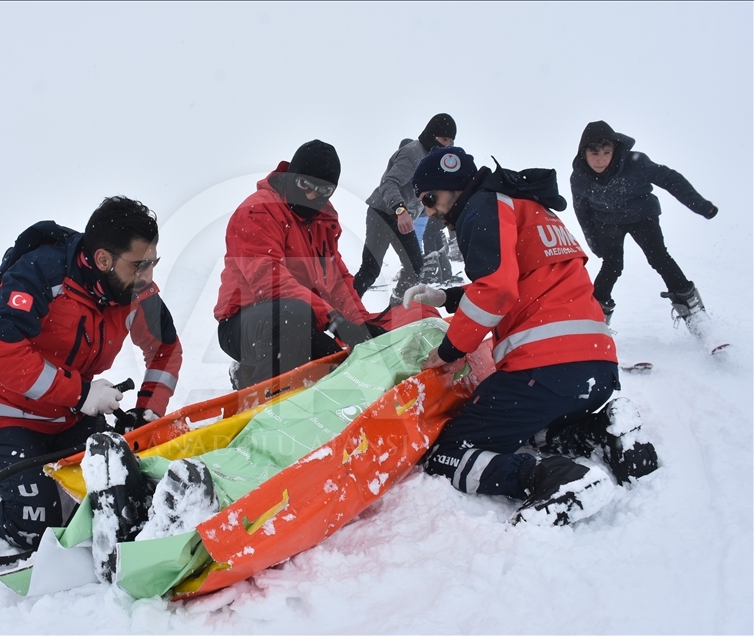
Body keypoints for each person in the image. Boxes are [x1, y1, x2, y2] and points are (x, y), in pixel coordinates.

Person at [0, 196, 183, 550]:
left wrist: (147, 412)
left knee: (121, 490)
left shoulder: (135, 291)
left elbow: (166, 350)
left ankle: (27, 484)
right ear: (103, 259)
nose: (149, 276)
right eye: (140, 265)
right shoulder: (40, 274)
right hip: (6, 418)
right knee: (34, 526)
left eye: (153, 262)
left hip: (71, 419)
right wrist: (82, 394)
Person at [403, 146, 658, 526]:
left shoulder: (482, 207)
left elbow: (496, 290)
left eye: (429, 199)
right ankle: (604, 432)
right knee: (530, 429)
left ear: (454, 186)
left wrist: (450, 349)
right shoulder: (525, 207)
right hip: (596, 369)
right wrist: (447, 297)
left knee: (448, 452)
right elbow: (522, 281)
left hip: (545, 368)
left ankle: (550, 480)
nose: (429, 212)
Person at [215, 139, 385, 390]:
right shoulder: (258, 210)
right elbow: (269, 281)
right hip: (244, 323)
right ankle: (264, 402)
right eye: (305, 184)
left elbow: (337, 281)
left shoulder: (322, 221)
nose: (312, 195)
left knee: (335, 362)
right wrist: (334, 320)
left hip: (299, 318)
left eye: (324, 190)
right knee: (290, 315)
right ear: (292, 176)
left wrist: (361, 325)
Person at [570, 121, 718, 327]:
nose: (601, 159)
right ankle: (594, 319)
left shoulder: (635, 163)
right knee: (612, 265)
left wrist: (700, 205)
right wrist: (594, 242)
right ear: (583, 153)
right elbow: (582, 211)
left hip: (642, 216)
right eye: (594, 153)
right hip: (607, 221)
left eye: (606, 152)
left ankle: (693, 311)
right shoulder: (579, 177)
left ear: (615, 149)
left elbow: (670, 179)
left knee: (659, 258)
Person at [352, 113, 459, 304]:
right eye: (444, 140)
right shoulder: (413, 153)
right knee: (371, 269)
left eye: (451, 141)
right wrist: (400, 210)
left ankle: (395, 308)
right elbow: (388, 183)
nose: (448, 146)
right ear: (432, 135)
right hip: (383, 214)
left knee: (415, 266)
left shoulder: (434, 160)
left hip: (403, 217)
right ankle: (344, 311)